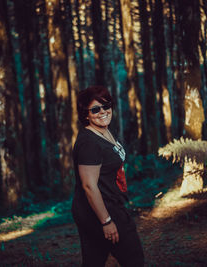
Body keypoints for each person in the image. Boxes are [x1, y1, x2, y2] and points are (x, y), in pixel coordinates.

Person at [71, 85, 144, 266]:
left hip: (106, 203)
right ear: (86, 114)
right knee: (133, 258)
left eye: (106, 106)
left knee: (94, 261)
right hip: (100, 210)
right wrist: (106, 221)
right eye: (95, 109)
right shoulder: (89, 142)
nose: (102, 112)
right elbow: (89, 185)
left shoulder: (104, 130)